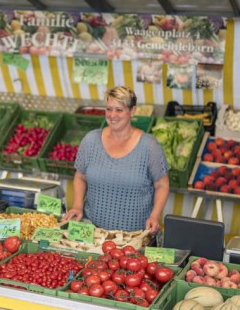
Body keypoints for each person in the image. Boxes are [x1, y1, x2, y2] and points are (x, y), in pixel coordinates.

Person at [64, 86, 169, 233]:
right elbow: (80, 177)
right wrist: (77, 206)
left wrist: (154, 216)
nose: (112, 115)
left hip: (134, 236)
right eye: (109, 109)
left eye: (119, 110)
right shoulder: (91, 140)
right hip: (91, 233)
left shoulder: (149, 146)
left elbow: (162, 185)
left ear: (132, 111)